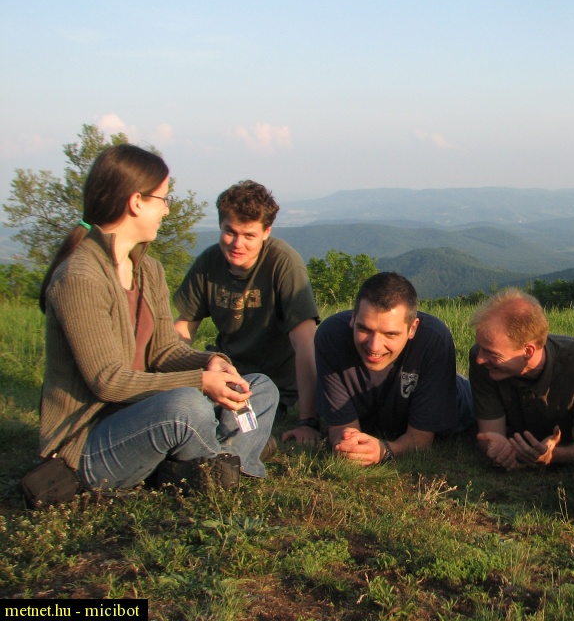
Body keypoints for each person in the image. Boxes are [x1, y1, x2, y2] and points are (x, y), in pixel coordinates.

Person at [38, 145, 278, 491]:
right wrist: (200, 382)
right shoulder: (80, 276)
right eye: (163, 199)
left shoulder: (147, 269)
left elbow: (165, 350)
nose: (166, 210)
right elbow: (107, 382)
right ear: (137, 202)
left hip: (148, 411)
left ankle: (213, 463)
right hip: (91, 440)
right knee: (188, 405)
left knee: (259, 387)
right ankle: (232, 457)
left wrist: (210, 362)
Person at [174, 180, 321, 446]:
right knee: (184, 410)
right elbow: (183, 329)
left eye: (249, 235)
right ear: (220, 226)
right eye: (230, 232)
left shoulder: (283, 264)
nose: (237, 244)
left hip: (271, 384)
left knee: (229, 424)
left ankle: (243, 450)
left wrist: (307, 421)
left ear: (266, 232)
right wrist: (168, 377)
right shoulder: (209, 262)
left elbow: (305, 344)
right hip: (225, 371)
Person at [315, 272, 473, 466]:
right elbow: (341, 428)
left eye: (390, 334)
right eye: (364, 329)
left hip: (458, 398)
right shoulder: (331, 337)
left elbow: (421, 439)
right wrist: (352, 444)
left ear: (412, 328)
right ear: (353, 318)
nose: (374, 346)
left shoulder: (434, 340)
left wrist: (385, 451)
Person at [470, 288, 574, 470]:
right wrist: (499, 448)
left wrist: (552, 455)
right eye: (480, 348)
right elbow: (490, 434)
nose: (480, 359)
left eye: (491, 353)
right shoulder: (485, 363)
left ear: (528, 351)